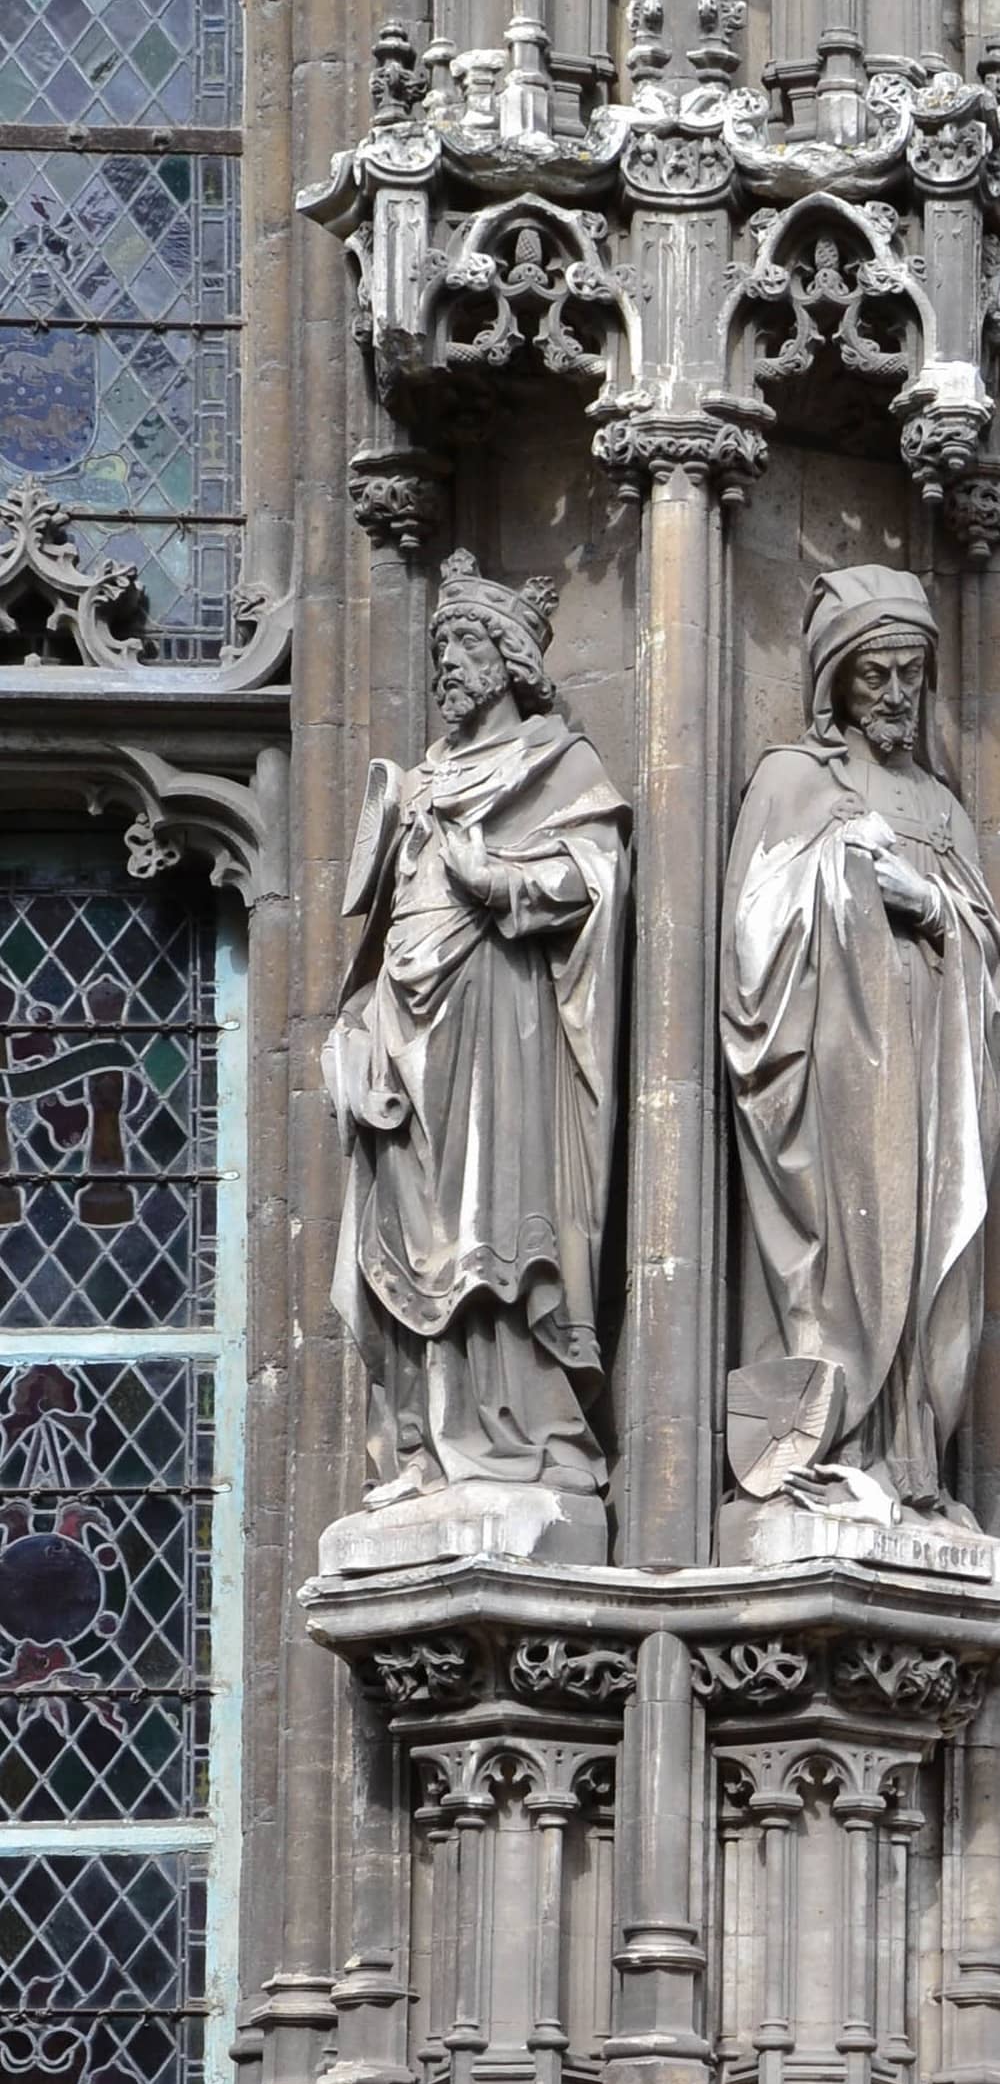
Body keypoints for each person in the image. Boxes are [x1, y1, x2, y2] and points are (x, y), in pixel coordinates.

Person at [327, 554, 630, 1518]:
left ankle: (521, 1433)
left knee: (492, 1230)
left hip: (503, 1026)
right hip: (407, 1031)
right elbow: (376, 939)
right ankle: (422, 1443)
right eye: (437, 646)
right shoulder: (416, 784)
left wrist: (496, 879)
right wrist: (362, 1039)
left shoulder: (560, 762)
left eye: (463, 643)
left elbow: (597, 880)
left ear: (510, 658)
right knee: (409, 1237)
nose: (446, 664)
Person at [721, 565, 1000, 1526]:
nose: (895, 695)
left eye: (910, 675)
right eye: (875, 675)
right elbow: (750, 939)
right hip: (838, 1075)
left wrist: (929, 903)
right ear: (835, 682)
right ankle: (832, 1444)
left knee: (930, 1256)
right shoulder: (795, 781)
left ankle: (908, 1461)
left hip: (934, 1080)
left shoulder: (942, 807)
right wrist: (842, 875)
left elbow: (993, 966)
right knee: (850, 1242)